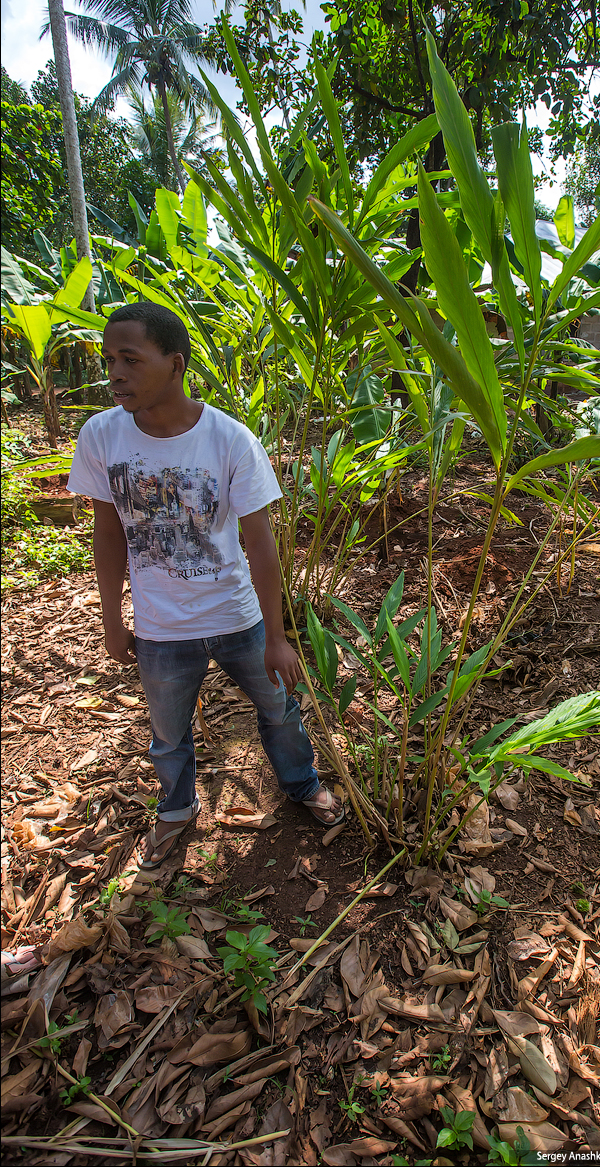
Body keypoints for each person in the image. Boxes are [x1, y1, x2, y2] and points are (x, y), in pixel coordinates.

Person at [68, 301, 344, 868]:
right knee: (168, 736)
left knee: (279, 710)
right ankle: (176, 810)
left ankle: (301, 784)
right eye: (108, 359)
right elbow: (108, 533)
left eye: (129, 358)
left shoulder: (228, 439)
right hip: (161, 627)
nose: (114, 372)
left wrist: (277, 635)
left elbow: (261, 544)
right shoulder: (102, 435)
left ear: (175, 363)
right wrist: (113, 622)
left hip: (236, 617)